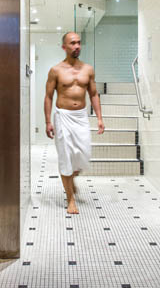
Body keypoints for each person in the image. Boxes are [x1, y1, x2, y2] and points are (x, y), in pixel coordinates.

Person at [44, 32, 104, 214]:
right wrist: (48, 121)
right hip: (63, 116)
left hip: (81, 117)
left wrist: (100, 118)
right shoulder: (56, 70)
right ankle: (70, 199)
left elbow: (93, 94)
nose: (77, 46)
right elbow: (48, 96)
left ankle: (72, 177)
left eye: (79, 43)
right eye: (72, 43)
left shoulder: (88, 69)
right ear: (64, 47)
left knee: (83, 154)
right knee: (65, 157)